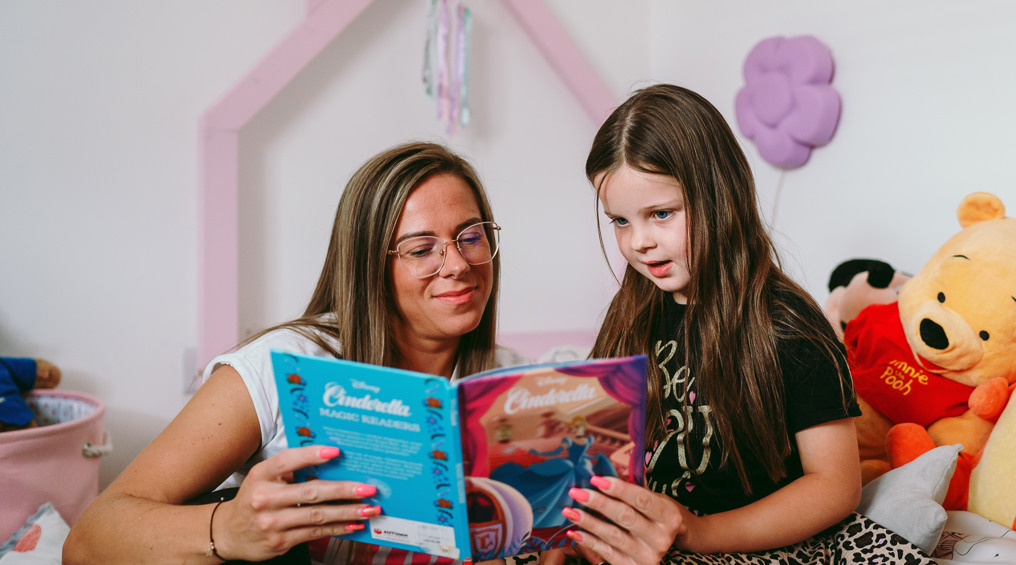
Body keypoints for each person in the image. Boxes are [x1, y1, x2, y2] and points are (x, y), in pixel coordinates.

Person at [65, 141, 521, 564]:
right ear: (368, 266)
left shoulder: (512, 380)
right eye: (422, 249)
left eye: (472, 237)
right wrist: (228, 529)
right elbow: (86, 541)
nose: (460, 265)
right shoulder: (275, 368)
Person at [554, 84, 935, 564]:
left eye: (661, 214)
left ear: (720, 196)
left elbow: (835, 488)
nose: (640, 242)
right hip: (647, 538)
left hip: (746, 541)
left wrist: (696, 531)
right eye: (621, 222)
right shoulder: (631, 313)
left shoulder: (787, 325)